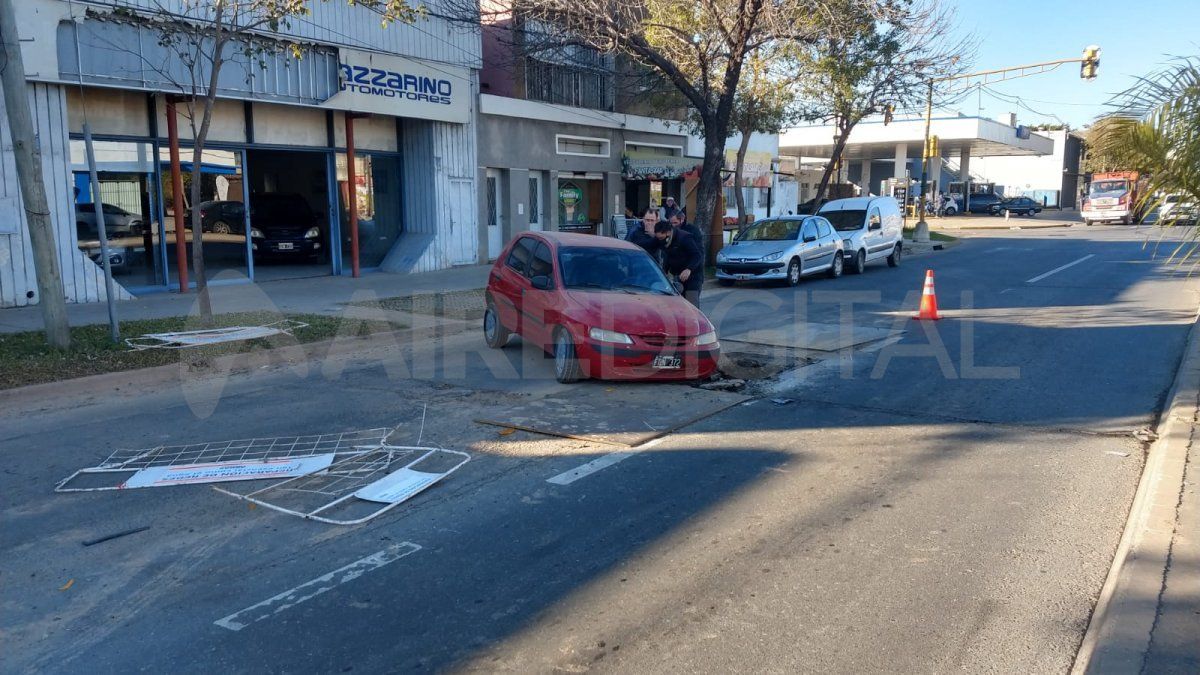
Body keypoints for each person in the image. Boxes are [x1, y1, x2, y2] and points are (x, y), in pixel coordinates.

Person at [653, 220, 704, 307]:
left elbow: (697, 256)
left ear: (668, 233)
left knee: (692, 305)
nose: (660, 241)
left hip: (693, 277)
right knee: (680, 306)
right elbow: (667, 257)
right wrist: (664, 273)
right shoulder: (663, 241)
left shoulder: (685, 238)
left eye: (661, 238)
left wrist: (689, 269)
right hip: (678, 277)